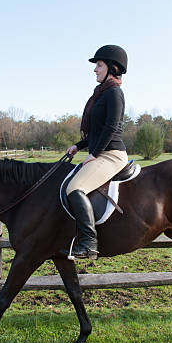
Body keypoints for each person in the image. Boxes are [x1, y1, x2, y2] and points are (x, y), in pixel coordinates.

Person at [64, 45, 129, 259]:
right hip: (99, 152)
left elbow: (112, 127)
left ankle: (89, 243)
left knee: (75, 188)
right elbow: (96, 131)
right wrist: (78, 146)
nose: (95, 70)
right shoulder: (100, 94)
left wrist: (94, 153)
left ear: (112, 68)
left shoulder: (114, 93)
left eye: (99, 65)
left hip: (111, 155)